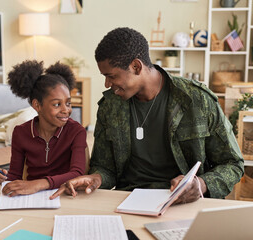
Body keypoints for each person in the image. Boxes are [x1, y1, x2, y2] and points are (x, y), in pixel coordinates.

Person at [50, 27, 244, 203]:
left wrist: (200, 184)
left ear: (136, 66)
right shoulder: (110, 106)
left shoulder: (196, 100)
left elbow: (233, 163)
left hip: (184, 202)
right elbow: (105, 167)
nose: (107, 84)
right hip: (127, 200)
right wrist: (96, 178)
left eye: (112, 76)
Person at [0, 60, 87, 197]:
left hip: (65, 195)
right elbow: (15, 175)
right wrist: (0, 177)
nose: (66, 110)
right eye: (57, 104)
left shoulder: (76, 131)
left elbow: (77, 173)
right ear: (37, 105)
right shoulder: (20, 132)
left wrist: (39, 184)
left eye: (68, 103)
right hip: (31, 197)